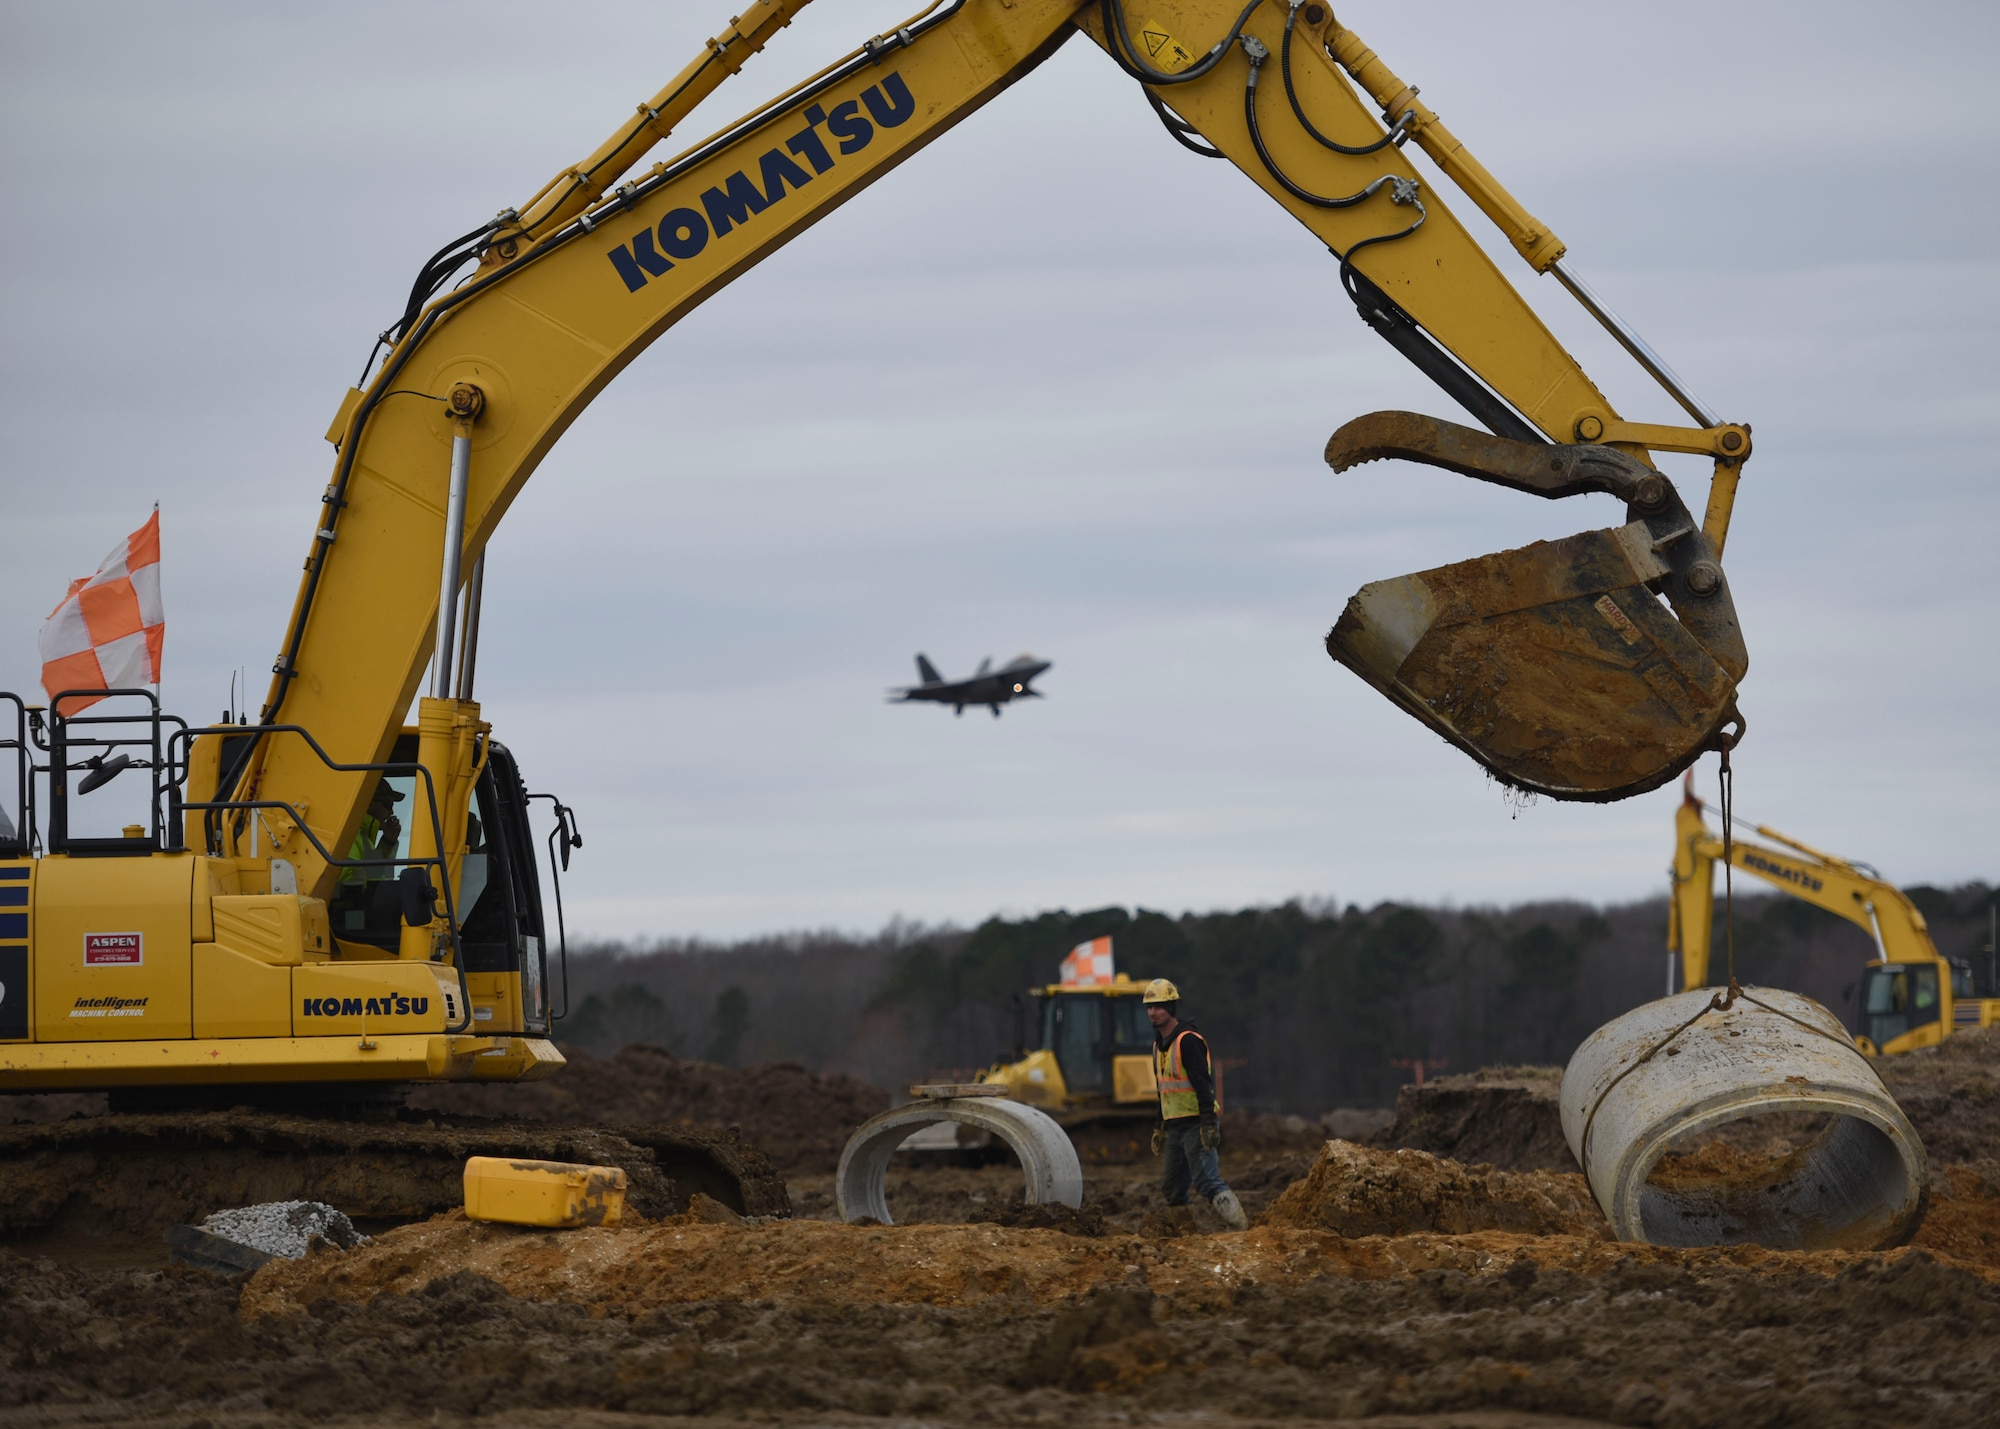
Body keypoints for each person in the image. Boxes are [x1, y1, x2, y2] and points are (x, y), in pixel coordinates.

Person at [1144, 977, 1248, 1230]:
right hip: (1174, 1126)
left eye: (1158, 1006)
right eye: (1149, 1006)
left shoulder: (1188, 1041)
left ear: (1171, 1008)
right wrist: (1159, 1127)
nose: (1152, 1012)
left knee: (1207, 1182)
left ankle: (1244, 1231)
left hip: (1194, 1124)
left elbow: (1204, 1086)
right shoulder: (1158, 1046)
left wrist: (1209, 1124)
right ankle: (1186, 1236)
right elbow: (1163, 1090)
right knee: (1172, 1187)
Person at [341, 778, 403, 884]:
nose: (391, 812)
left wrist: (388, 842)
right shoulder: (348, 835)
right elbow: (345, 880)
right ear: (369, 804)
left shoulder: (363, 838)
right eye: (388, 805)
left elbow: (380, 881)